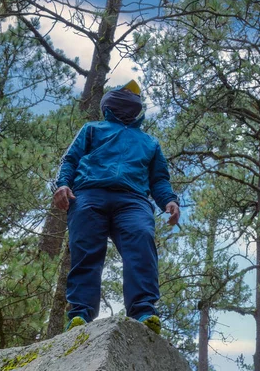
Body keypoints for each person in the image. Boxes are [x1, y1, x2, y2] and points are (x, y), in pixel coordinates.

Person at [53, 80, 180, 334]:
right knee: (86, 252)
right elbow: (71, 159)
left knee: (141, 245)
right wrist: (62, 184)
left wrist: (169, 199)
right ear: (109, 104)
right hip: (89, 194)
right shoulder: (91, 129)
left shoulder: (149, 143)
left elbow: (158, 179)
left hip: (133, 200)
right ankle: (79, 316)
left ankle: (144, 312)